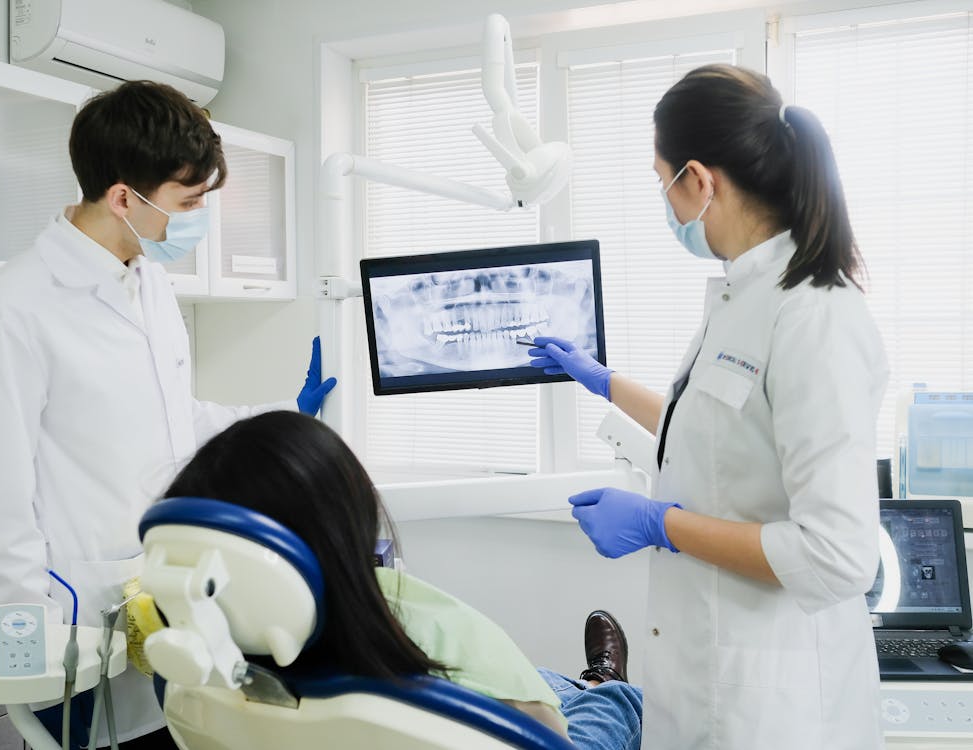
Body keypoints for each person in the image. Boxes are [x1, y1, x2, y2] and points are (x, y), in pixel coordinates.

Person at [0, 81, 336, 748]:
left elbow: (172, 419)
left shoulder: (150, 282)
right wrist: (33, 645)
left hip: (163, 597)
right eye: (188, 202)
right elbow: (2, 492)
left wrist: (286, 415)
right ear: (122, 198)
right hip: (74, 615)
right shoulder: (15, 304)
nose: (198, 218)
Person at [529, 64, 888, 749]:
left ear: (697, 179)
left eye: (659, 179)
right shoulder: (740, 296)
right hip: (705, 678)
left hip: (773, 706)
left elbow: (838, 555)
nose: (663, 200)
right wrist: (600, 380)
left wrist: (661, 523)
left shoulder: (815, 316)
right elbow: (716, 437)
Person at [160, 410, 645, 749]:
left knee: (542, 679)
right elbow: (547, 736)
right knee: (608, 707)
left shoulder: (201, 675)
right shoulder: (438, 631)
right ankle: (606, 682)